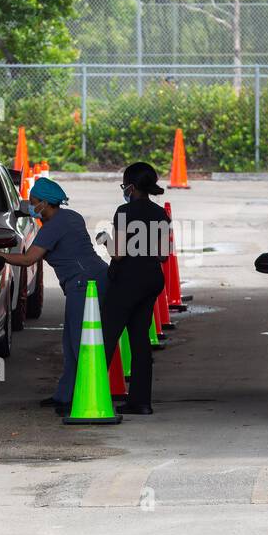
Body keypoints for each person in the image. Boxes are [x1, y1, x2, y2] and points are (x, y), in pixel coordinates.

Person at [0, 176, 108, 414]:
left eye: (33, 201)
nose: (30, 205)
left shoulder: (55, 226)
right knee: (71, 343)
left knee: (81, 345)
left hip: (84, 285)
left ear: (45, 203)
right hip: (93, 280)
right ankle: (65, 395)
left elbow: (28, 259)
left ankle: (85, 397)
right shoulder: (71, 217)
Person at [100, 162, 170, 416]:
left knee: (106, 337)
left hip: (127, 280)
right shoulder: (161, 214)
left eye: (123, 186)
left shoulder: (124, 211)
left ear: (130, 187)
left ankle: (93, 395)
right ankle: (141, 401)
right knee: (140, 341)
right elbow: (163, 255)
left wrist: (104, 238)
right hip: (151, 280)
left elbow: (117, 254)